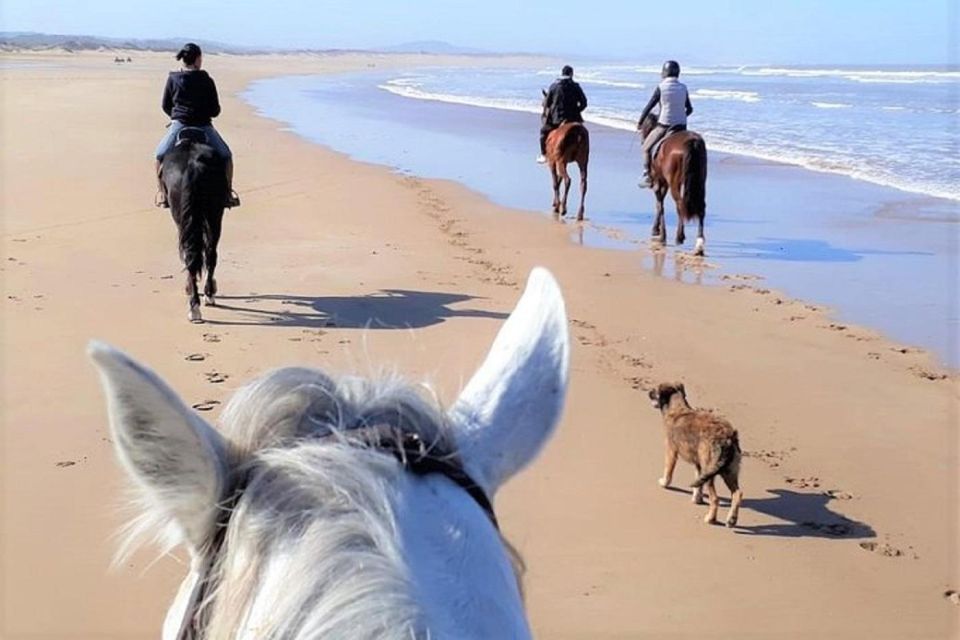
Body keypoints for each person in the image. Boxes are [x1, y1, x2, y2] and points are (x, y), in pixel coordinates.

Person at [154, 43, 240, 208]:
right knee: (226, 155)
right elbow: (215, 110)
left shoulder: (172, 78)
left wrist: (176, 116)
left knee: (159, 155)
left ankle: (163, 195)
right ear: (198, 59)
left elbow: (165, 105)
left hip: (179, 125)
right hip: (203, 126)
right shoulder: (206, 80)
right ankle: (228, 194)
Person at [636, 60, 693, 187]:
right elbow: (689, 109)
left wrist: (640, 122)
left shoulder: (661, 87)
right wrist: (681, 116)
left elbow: (649, 107)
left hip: (664, 125)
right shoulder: (683, 88)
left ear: (665, 73)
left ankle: (647, 176)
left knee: (645, 147)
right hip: (682, 126)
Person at [538, 65, 588, 164]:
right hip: (574, 118)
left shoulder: (554, 86)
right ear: (571, 74)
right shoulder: (576, 86)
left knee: (543, 133)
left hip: (557, 119)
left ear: (562, 74)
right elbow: (584, 103)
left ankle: (543, 155)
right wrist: (577, 110)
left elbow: (547, 104)